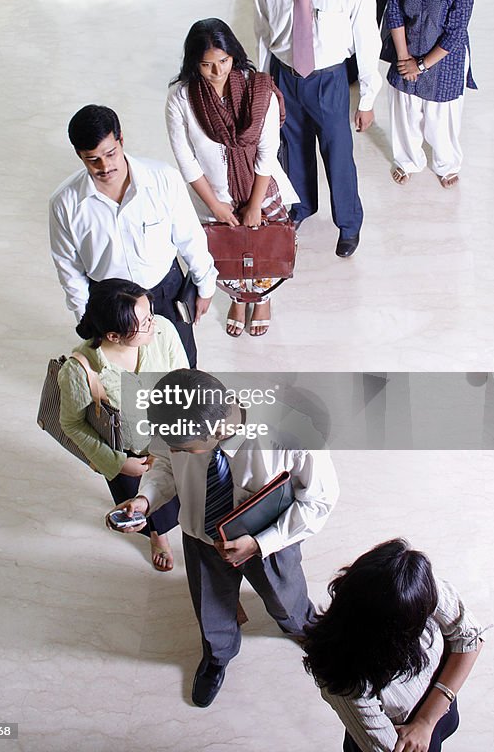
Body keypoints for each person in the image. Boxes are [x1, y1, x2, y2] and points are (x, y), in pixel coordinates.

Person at [110, 368, 339, 708]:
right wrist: (146, 499)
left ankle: (301, 627)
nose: (179, 454)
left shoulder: (293, 433)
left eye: (187, 450)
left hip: (269, 539)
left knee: (284, 592)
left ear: (217, 430)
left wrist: (262, 543)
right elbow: (164, 466)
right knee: (210, 601)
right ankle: (218, 654)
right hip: (199, 532)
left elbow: (320, 501)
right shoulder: (182, 414)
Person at [255, 0, 382, 254]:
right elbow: (264, 34)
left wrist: (368, 98)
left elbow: (368, 41)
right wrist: (264, 85)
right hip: (285, 76)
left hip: (328, 79)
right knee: (291, 148)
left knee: (337, 152)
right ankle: (300, 207)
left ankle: (348, 224)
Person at [49, 104, 217, 368]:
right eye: (92, 159)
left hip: (165, 292)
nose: (105, 166)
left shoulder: (163, 179)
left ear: (121, 140)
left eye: (110, 153)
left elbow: (190, 237)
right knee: (124, 372)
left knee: (181, 365)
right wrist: (87, 318)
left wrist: (205, 284)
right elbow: (69, 268)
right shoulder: (64, 203)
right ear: (79, 155)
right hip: (110, 304)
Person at [166, 18, 297, 338]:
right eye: (207, 65)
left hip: (260, 187)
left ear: (234, 56)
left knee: (266, 249)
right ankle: (238, 298)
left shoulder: (258, 88)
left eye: (223, 61)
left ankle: (262, 298)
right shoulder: (181, 98)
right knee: (223, 255)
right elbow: (186, 160)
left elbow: (268, 150)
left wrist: (254, 205)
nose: (217, 71)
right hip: (211, 193)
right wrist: (217, 205)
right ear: (193, 63)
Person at [303, 538, 485, 752]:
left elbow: (471, 636)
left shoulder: (410, 580)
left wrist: (427, 720)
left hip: (437, 707)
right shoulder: (344, 677)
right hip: (402, 738)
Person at [58, 280, 188, 571]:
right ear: (114, 335)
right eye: (144, 323)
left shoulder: (163, 330)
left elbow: (183, 380)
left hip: (169, 441)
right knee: (138, 502)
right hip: (128, 454)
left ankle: (164, 526)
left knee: (170, 492)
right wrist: (118, 463)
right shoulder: (80, 370)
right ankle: (158, 535)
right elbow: (72, 423)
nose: (153, 324)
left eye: (150, 313)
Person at [383, 0, 476, 188]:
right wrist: (403, 58)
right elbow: (395, 8)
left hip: (445, 59)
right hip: (406, 46)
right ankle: (408, 160)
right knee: (404, 106)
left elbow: (455, 34)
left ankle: (447, 164)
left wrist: (421, 65)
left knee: (440, 117)